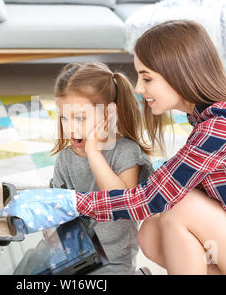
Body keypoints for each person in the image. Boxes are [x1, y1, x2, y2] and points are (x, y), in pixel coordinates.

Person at [0, 20, 226, 275]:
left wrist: (71, 202)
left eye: (147, 77)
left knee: (177, 207)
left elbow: (148, 198)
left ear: (179, 73)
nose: (138, 88)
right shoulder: (206, 117)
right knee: (151, 231)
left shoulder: (223, 126)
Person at [49, 62, 153, 275]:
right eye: (64, 117)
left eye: (80, 118)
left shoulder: (126, 151)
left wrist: (94, 153)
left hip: (114, 263)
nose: (70, 128)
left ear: (108, 114)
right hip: (75, 260)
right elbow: (56, 212)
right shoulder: (65, 160)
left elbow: (123, 202)